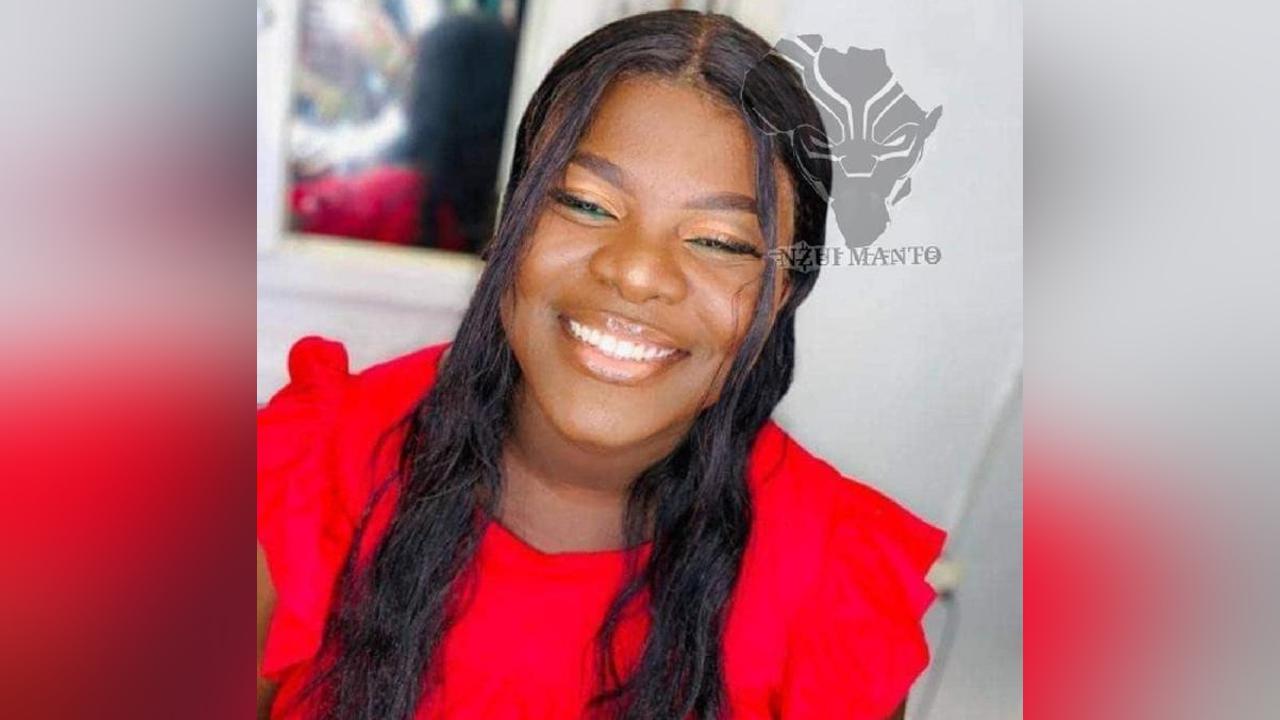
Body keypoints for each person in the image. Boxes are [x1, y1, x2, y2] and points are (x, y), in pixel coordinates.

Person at [256, 9, 944, 720]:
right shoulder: (304, 473)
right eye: (587, 204)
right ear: (513, 223)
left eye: (720, 242)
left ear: (780, 296)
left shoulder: (836, 595)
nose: (638, 272)